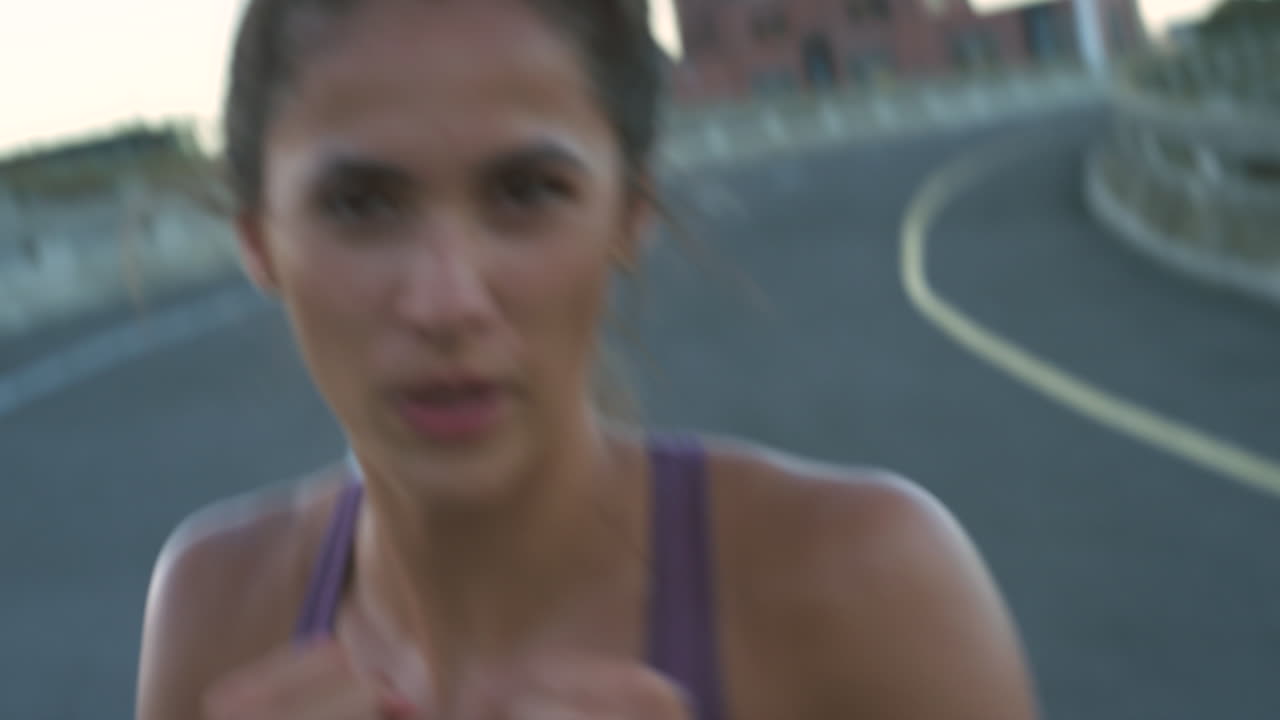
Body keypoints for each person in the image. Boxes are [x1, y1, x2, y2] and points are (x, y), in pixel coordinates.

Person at [134, 0, 1040, 718]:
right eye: (362, 205)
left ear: (628, 214)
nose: (447, 302)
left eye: (527, 192)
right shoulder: (215, 615)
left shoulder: (863, 588)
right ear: (258, 240)